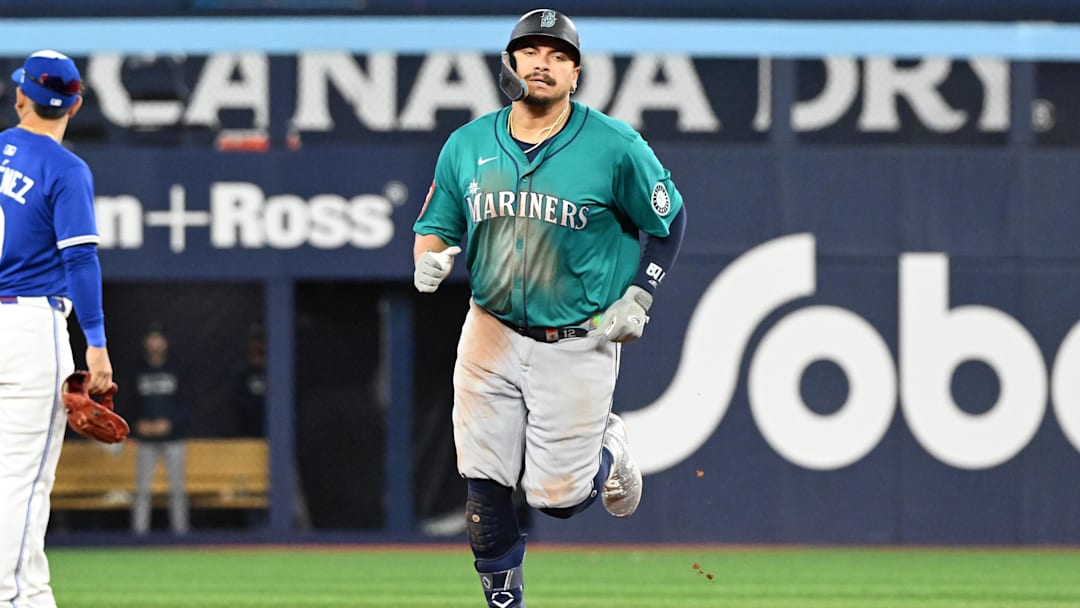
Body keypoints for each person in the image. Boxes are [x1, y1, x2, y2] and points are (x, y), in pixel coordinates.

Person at [412, 9, 687, 607]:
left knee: (558, 500)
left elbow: (669, 219)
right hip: (490, 328)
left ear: (576, 73)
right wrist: (426, 256)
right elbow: (436, 225)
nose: (543, 61)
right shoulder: (467, 144)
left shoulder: (615, 146)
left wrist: (641, 291)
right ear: (510, 64)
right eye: (531, 50)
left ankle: (609, 450)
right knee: (483, 489)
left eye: (558, 54)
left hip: (577, 337)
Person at [0, 50, 114, 608]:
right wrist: (95, 344)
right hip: (27, 326)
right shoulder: (66, 169)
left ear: (20, 95)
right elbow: (80, 262)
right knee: (20, 484)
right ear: (76, 102)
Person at [130, 325, 190, 536]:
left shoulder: (176, 369)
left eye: (159, 340)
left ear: (165, 343)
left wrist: (170, 423)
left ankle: (181, 535)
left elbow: (186, 403)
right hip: (145, 440)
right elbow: (131, 402)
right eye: (151, 340)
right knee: (142, 490)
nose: (155, 345)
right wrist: (139, 423)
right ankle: (139, 535)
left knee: (177, 490)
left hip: (173, 438)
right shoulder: (138, 370)